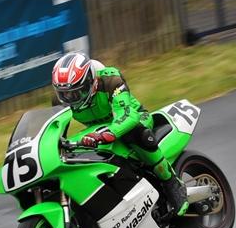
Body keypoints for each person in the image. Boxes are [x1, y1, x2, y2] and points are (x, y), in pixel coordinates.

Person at [51, 52, 189, 216]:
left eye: (77, 92)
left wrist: (110, 131)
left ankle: (171, 182)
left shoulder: (111, 80)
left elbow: (127, 115)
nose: (71, 98)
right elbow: (57, 132)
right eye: (64, 94)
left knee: (134, 133)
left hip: (134, 118)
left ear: (91, 82)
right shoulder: (62, 100)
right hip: (99, 130)